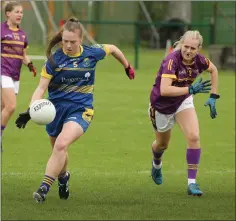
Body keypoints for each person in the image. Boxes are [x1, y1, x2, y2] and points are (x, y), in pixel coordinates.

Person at [15, 17, 135, 203]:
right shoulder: (54, 61)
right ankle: (63, 178)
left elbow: (113, 48)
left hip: (81, 109)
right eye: (65, 41)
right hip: (54, 111)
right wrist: (30, 110)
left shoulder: (92, 53)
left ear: (81, 40)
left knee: (62, 144)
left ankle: (43, 188)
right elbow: (40, 88)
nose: (68, 45)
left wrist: (127, 66)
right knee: (58, 148)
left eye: (73, 42)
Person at [148, 30, 220, 196]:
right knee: (162, 145)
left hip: (183, 100)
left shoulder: (200, 60)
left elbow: (214, 70)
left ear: (199, 48)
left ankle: (192, 183)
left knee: (194, 136)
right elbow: (164, 90)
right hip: (162, 105)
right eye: (185, 46)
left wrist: (213, 96)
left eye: (192, 48)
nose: (188, 51)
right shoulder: (171, 60)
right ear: (181, 44)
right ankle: (156, 163)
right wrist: (190, 88)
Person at [1, 1, 37, 151]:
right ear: (8, 13)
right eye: (16, 12)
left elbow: (23, 55)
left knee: (3, 107)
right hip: (3, 72)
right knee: (11, 106)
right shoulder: (1, 30)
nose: (20, 14)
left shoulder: (22, 35)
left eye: (21, 12)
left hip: (15, 75)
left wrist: (30, 65)